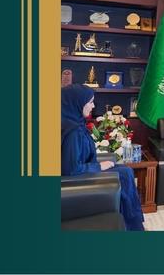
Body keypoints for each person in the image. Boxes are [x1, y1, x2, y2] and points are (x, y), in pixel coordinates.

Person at [60, 85, 144, 231]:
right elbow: (70, 169)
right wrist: (99, 166)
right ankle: (133, 226)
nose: (93, 106)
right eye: (90, 102)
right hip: (76, 178)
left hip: (84, 169)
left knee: (126, 171)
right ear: (77, 103)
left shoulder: (74, 122)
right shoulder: (73, 133)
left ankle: (132, 224)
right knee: (125, 174)